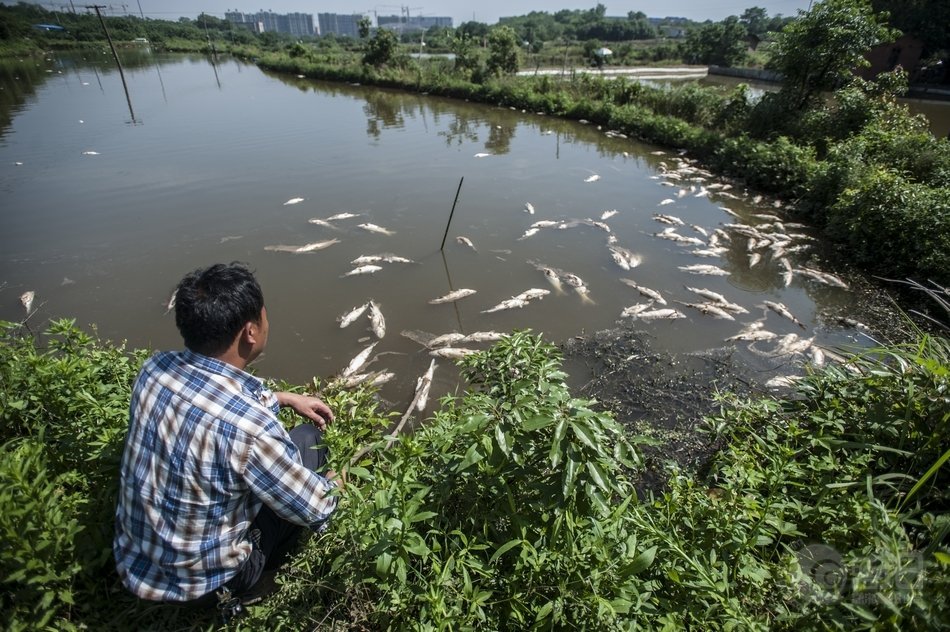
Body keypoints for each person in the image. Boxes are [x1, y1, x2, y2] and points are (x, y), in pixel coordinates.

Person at [114, 262, 342, 614]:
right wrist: (336, 484)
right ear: (251, 331)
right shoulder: (251, 430)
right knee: (310, 443)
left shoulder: (153, 370)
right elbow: (317, 508)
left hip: (135, 565)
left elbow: (212, 396)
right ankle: (249, 587)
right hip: (203, 587)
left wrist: (281, 398)